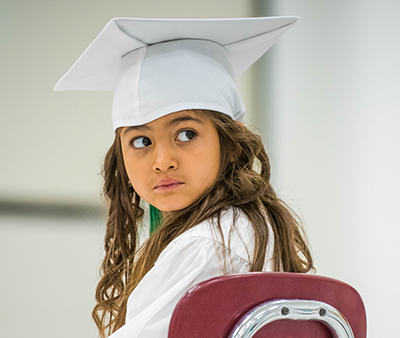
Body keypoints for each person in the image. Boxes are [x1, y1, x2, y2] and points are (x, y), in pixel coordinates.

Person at [55, 16, 314, 338]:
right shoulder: (251, 223)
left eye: (186, 134)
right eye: (140, 141)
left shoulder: (206, 243)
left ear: (232, 143)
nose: (162, 161)